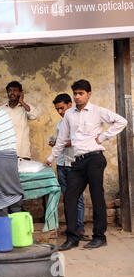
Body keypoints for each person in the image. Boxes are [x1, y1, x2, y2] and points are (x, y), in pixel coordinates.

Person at [45, 79, 127, 251]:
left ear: (89, 94)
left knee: (97, 197)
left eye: (81, 93)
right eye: (75, 93)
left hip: (95, 159)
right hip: (78, 161)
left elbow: (121, 121)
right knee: (69, 197)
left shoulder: (97, 111)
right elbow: (61, 140)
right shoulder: (69, 114)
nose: (77, 97)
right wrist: (51, 158)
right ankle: (72, 237)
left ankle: (99, 236)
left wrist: (104, 137)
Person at [49, 93, 90, 241]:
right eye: (57, 109)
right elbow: (62, 142)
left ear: (69, 105)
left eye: (62, 108)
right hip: (61, 164)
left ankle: (79, 229)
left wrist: (60, 144)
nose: (60, 112)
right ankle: (71, 229)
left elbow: (78, 140)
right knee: (67, 199)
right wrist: (56, 144)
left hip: (75, 164)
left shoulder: (79, 121)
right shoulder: (59, 125)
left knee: (77, 198)